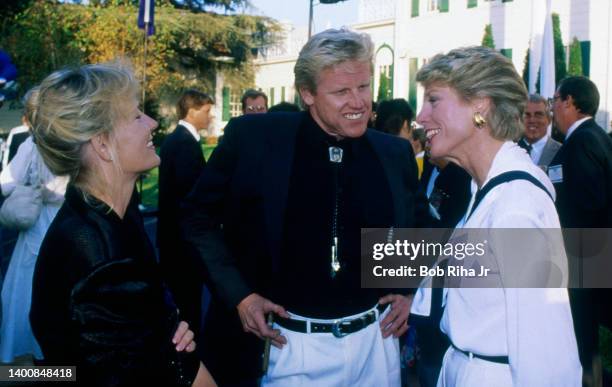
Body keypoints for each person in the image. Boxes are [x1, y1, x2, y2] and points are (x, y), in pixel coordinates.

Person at [182, 28, 424, 386]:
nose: (358, 103)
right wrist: (241, 296)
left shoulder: (393, 153)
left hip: (377, 346)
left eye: (363, 87)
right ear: (307, 93)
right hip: (287, 349)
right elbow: (195, 217)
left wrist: (408, 290)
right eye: (341, 91)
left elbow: (411, 229)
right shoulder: (255, 140)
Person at [28, 63, 216, 387]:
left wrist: (165, 323)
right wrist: (170, 345)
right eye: (136, 116)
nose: (153, 123)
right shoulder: (101, 254)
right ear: (102, 144)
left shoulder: (112, 213)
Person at [412, 46, 581, 386]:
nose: (420, 116)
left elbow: (548, 354)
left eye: (433, 100)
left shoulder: (516, 205)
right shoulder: (488, 193)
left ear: (480, 105)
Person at [549, 76, 612, 387]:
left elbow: (590, 204)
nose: (552, 109)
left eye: (555, 100)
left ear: (569, 102)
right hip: (588, 260)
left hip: (583, 262)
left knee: (583, 342)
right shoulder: (595, 137)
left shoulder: (583, 141)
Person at [0, 89, 68, 363]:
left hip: (39, 223)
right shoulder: (71, 142)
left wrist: (30, 186)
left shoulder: (33, 145)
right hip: (68, 222)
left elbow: (6, 183)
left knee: (28, 293)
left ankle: (39, 364)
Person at [158, 89, 214, 338]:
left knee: (184, 303)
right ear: (191, 111)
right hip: (182, 242)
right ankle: (189, 365)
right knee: (187, 305)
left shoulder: (178, 139)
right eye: (206, 111)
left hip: (176, 239)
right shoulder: (183, 143)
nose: (210, 117)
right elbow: (190, 195)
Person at [517, 93, 561, 169]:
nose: (532, 120)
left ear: (549, 120)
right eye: (527, 115)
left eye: (538, 115)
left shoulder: (561, 151)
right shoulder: (509, 150)